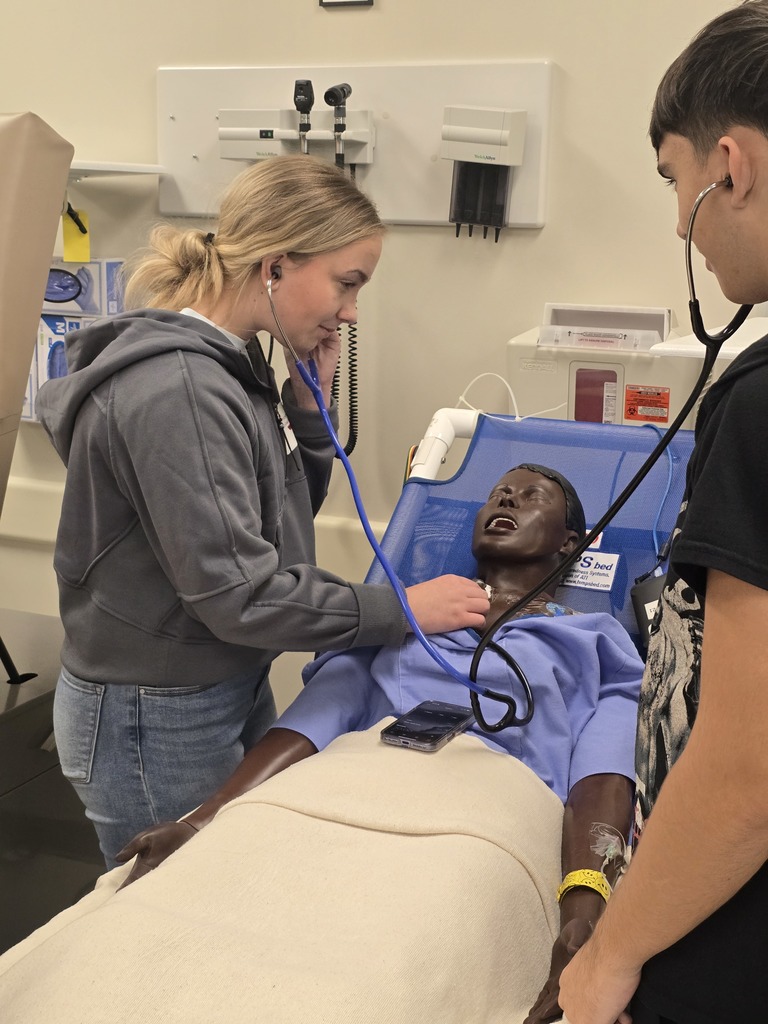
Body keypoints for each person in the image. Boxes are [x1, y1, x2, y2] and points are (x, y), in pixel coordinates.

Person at [35, 154, 489, 870]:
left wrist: (311, 416)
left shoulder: (234, 367)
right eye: (347, 283)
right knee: (175, 920)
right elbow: (242, 596)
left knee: (228, 888)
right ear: (277, 265)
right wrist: (403, 609)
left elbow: (278, 532)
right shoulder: (180, 388)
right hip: (154, 714)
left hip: (215, 680)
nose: (351, 312)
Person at [112, 464, 644, 1024]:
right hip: (339, 792)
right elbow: (317, 720)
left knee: (379, 974)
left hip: (481, 819)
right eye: (496, 494)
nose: (506, 497)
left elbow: (602, 778)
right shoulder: (400, 615)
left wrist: (585, 913)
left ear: (570, 543)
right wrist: (206, 818)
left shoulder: (595, 643)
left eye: (531, 496)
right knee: (185, 935)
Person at [558, 4, 768, 1023]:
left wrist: (611, 956)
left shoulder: (761, 407)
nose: (678, 215)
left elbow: (746, 768)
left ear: (730, 165)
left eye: (674, 181)